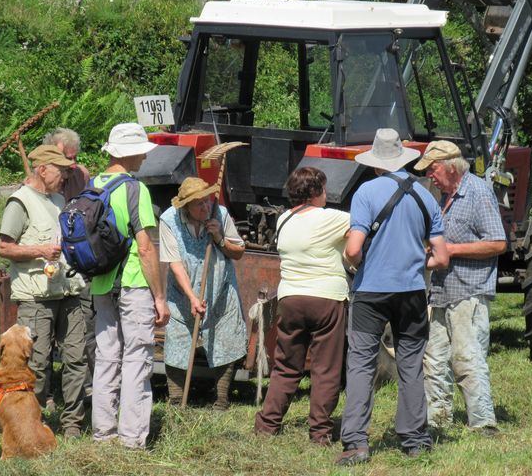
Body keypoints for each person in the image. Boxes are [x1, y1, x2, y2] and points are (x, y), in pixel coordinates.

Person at [336, 128, 449, 466]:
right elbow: (441, 258)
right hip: (412, 291)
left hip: (371, 291)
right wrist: (415, 261)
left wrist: (355, 263)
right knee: (411, 365)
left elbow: (354, 249)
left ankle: (356, 443)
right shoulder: (426, 196)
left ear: (374, 163)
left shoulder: (366, 192)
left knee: (360, 365)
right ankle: (415, 439)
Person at [413, 140, 506, 434]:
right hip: (440, 291)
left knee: (467, 357)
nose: (429, 175)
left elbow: (498, 242)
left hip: (469, 290)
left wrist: (451, 250)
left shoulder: (478, 192)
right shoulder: (444, 197)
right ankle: (438, 421)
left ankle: (482, 423)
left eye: (432, 168)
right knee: (435, 359)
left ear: (451, 166)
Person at [254, 167, 349, 445]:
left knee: (286, 365)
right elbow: (362, 229)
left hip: (291, 298)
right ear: (316, 192)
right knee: (326, 369)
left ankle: (268, 424)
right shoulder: (332, 218)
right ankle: (319, 431)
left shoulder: (284, 219)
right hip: (326, 297)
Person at [0, 145, 87, 438]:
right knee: (35, 364)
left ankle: (73, 425)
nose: (65, 175)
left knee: (76, 359)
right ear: (43, 169)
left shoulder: (60, 200)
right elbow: (4, 247)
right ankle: (31, 425)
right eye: (61, 170)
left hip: (68, 292)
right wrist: (40, 250)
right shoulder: (19, 202)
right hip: (36, 299)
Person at [91, 123, 170, 449]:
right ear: (131, 153)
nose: (144, 157)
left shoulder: (93, 184)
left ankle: (103, 434)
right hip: (134, 284)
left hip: (100, 284)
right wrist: (160, 297)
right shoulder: (135, 189)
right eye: (141, 151)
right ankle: (131, 440)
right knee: (137, 359)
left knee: (107, 358)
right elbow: (146, 247)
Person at [159, 177, 247, 410]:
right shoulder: (169, 220)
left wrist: (219, 238)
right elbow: (175, 264)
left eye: (206, 201)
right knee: (178, 341)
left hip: (219, 287)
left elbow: (238, 253)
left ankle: (221, 400)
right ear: (185, 206)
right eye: (198, 204)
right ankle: (177, 401)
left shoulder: (221, 214)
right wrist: (192, 297)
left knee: (224, 338)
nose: (205, 207)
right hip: (183, 290)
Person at [43, 127, 95, 406]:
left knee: (83, 326)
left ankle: (81, 389)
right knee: (47, 333)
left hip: (75, 264)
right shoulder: (36, 184)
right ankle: (47, 392)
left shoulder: (81, 175)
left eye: (75, 158)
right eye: (66, 158)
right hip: (48, 264)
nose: (71, 165)